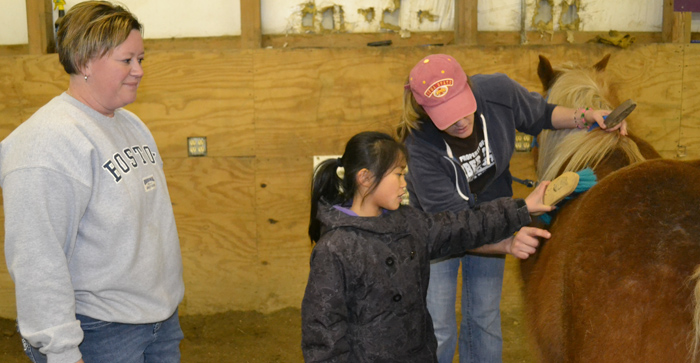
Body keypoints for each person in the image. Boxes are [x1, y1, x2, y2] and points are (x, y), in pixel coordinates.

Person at [397, 53, 627, 363]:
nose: (461, 122)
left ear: (468, 87)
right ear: (425, 111)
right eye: (448, 117)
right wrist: (506, 242)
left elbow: (542, 115)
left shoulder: (497, 92)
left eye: (463, 109)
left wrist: (587, 116)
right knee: (437, 327)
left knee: (485, 318)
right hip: (441, 231)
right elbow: (454, 228)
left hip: (495, 213)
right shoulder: (419, 147)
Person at [0, 2, 184, 363]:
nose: (139, 71)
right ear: (84, 62)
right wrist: (63, 351)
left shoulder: (132, 126)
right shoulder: (48, 143)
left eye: (141, 59)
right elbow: (38, 258)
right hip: (98, 335)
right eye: (126, 60)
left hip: (158, 323)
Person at [301, 131, 553, 362]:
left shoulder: (409, 222)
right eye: (398, 174)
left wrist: (521, 208)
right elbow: (323, 332)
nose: (404, 182)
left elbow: (464, 225)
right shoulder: (335, 248)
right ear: (365, 178)